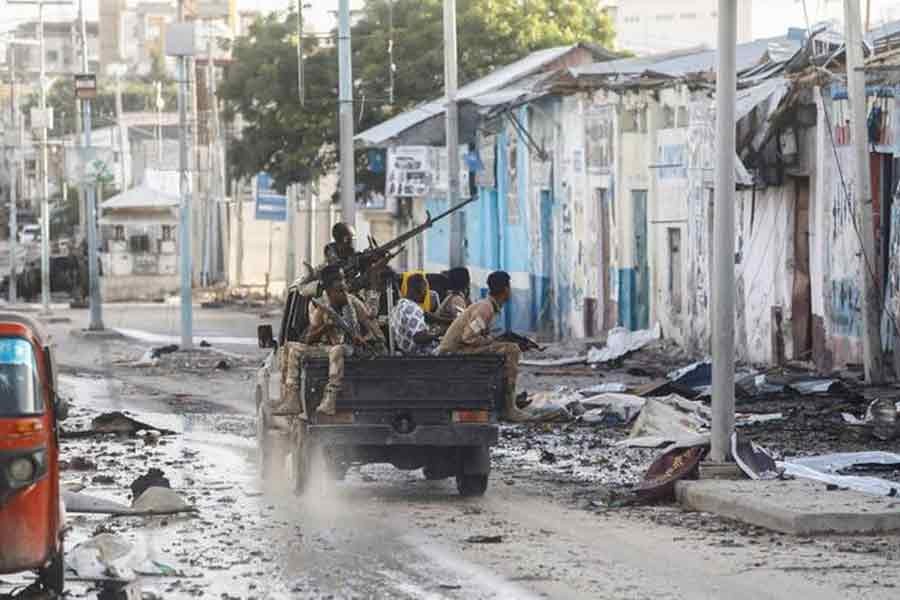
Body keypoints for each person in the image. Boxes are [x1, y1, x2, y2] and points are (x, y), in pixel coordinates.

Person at [437, 271, 532, 422]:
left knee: (508, 347)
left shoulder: (487, 306)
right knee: (511, 350)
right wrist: (493, 341)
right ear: (506, 289)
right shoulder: (485, 308)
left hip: (458, 350)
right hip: (453, 353)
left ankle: (505, 401)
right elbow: (468, 337)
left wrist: (496, 341)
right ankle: (509, 409)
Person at [305, 265, 385, 415]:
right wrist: (326, 328)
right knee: (335, 349)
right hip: (327, 352)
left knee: (340, 349)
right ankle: (330, 398)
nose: (345, 290)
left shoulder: (352, 301)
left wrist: (368, 339)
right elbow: (309, 337)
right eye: (340, 287)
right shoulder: (319, 307)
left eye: (344, 285)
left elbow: (370, 321)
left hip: (350, 349)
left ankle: (330, 397)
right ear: (329, 290)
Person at [390, 273, 439, 355]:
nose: (426, 293)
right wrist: (439, 333)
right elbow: (418, 338)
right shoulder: (413, 309)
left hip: (405, 352)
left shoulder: (400, 304)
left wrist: (447, 321)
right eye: (425, 289)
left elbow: (424, 314)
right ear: (419, 289)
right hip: (421, 355)